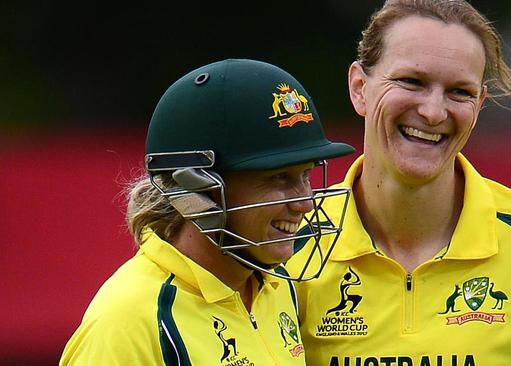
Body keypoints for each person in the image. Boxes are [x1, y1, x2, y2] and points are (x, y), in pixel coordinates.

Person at [286, 1, 511, 365]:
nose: (434, 112)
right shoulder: (288, 237)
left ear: (480, 105)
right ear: (360, 88)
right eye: (411, 82)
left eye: (460, 92)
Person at [59, 59, 355, 365]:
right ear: (195, 190)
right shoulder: (127, 324)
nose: (305, 204)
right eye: (278, 178)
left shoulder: (276, 286)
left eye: (305, 175)